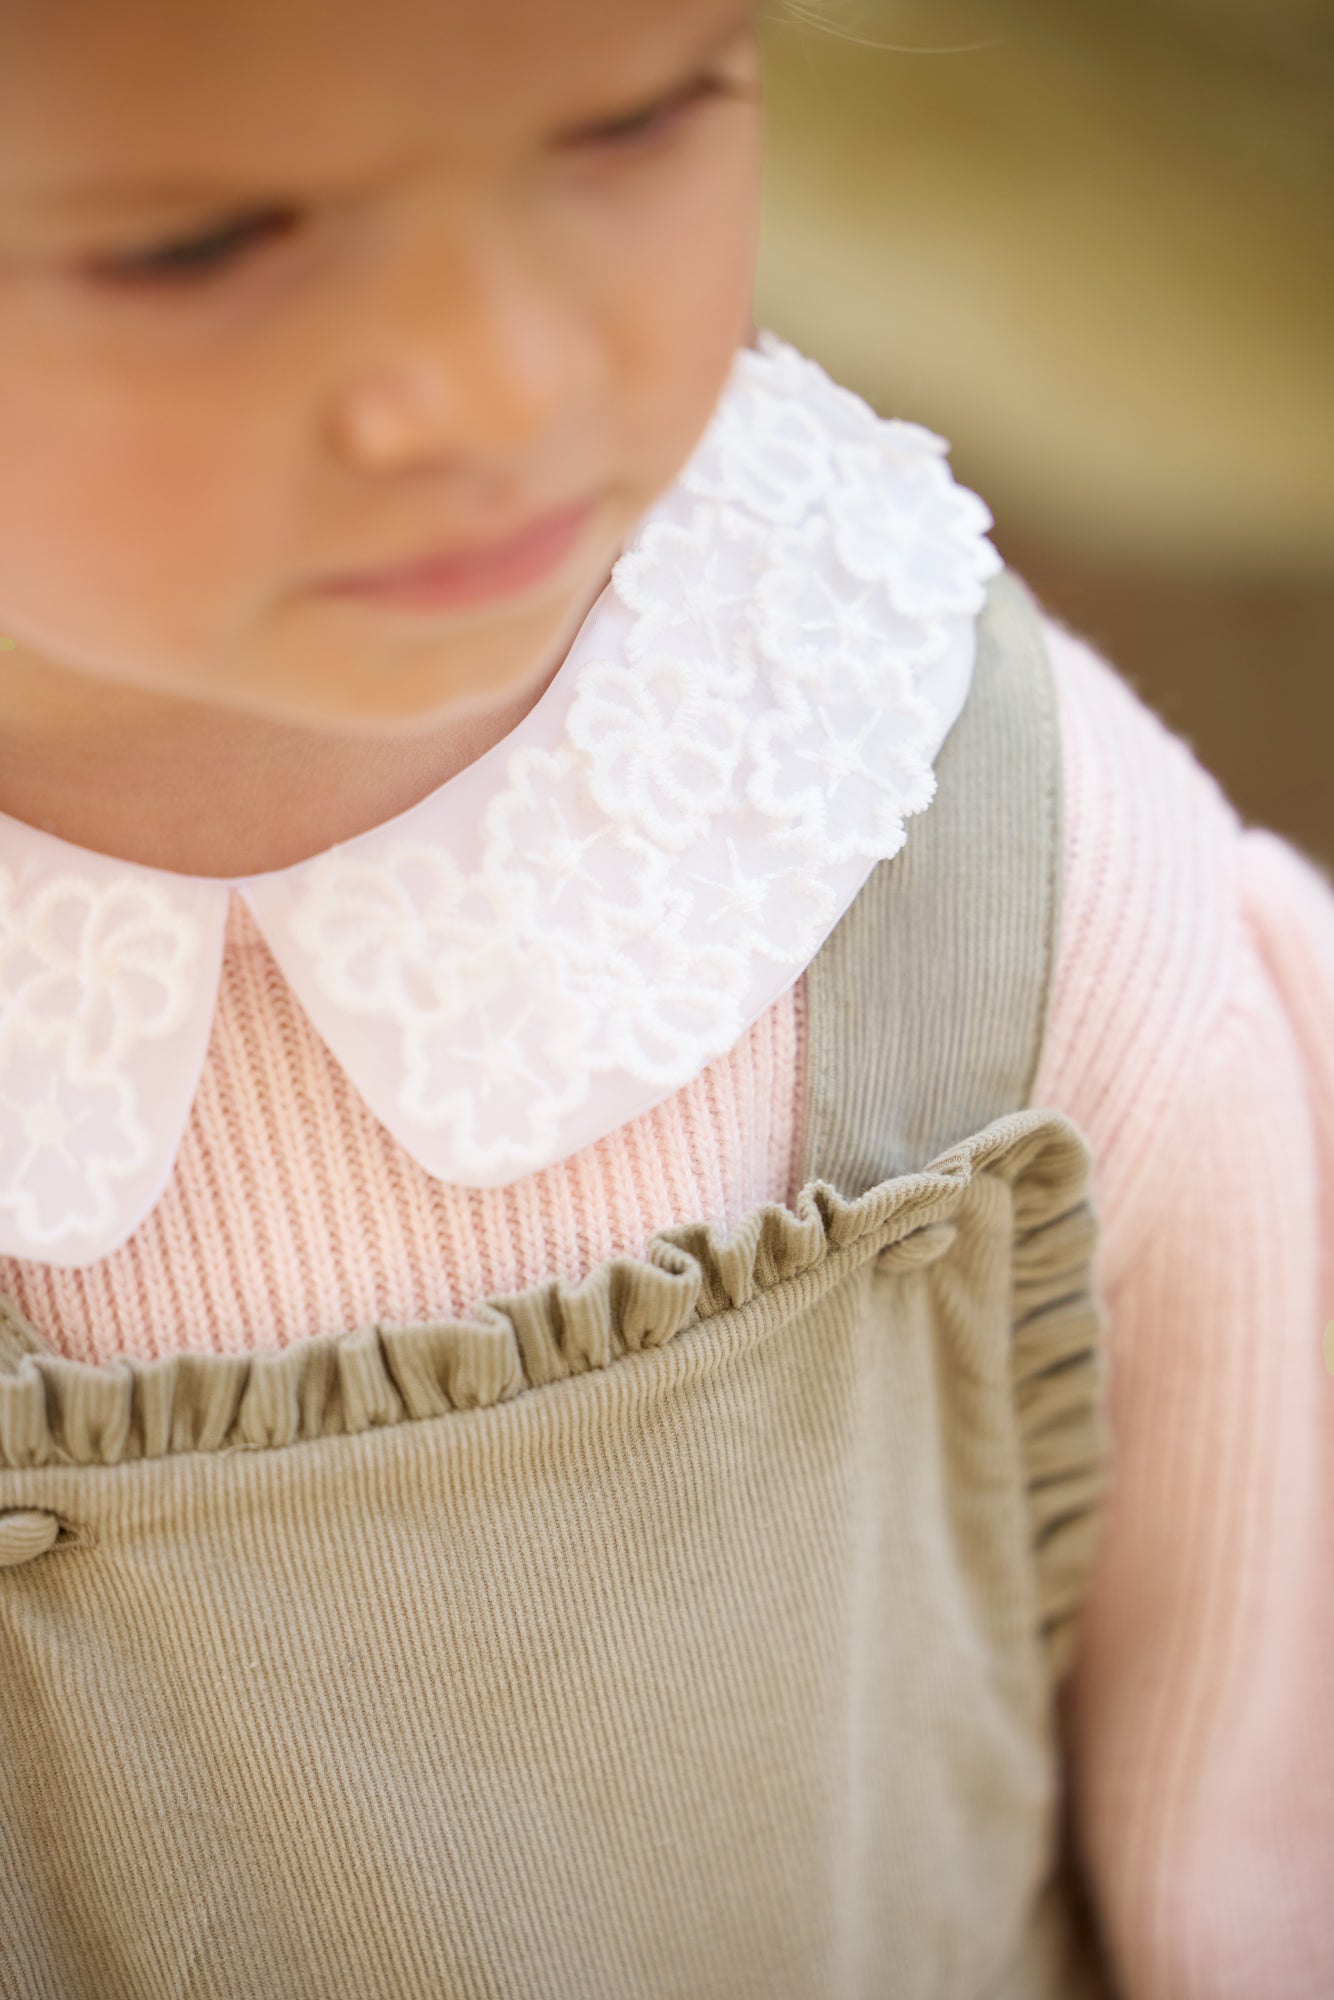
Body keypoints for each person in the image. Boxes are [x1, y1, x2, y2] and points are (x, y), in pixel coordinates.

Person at [0, 1, 1329, 1994]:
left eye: (629, 122)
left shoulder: (957, 841)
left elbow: (1263, 1825)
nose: (501, 377)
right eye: (204, 247)